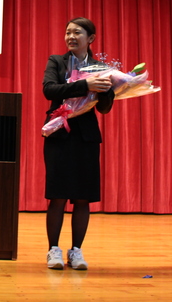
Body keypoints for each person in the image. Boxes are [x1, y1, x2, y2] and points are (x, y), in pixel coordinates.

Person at [42, 17, 114, 270]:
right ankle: (53, 250)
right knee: (58, 195)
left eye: (77, 33)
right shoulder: (56, 61)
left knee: (83, 197)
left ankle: (76, 251)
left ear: (90, 38)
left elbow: (104, 108)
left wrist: (109, 89)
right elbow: (49, 90)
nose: (71, 37)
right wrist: (86, 85)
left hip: (86, 136)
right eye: (68, 32)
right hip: (59, 132)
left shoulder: (101, 68)